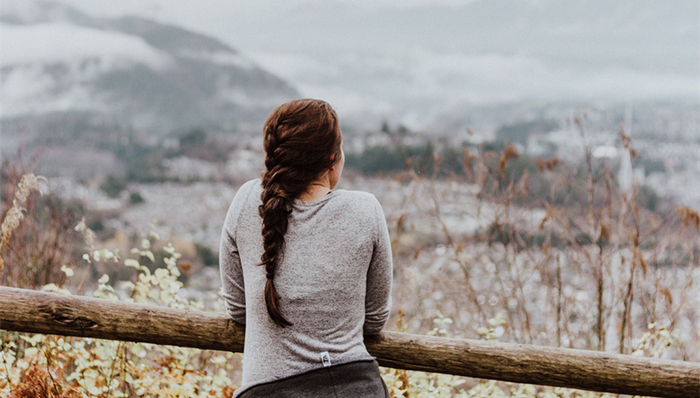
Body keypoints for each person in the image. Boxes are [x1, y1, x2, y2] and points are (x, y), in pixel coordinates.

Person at [219, 99, 393, 397]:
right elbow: (375, 319)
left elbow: (238, 309)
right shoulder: (366, 210)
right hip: (353, 388)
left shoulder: (247, 201)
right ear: (331, 158)